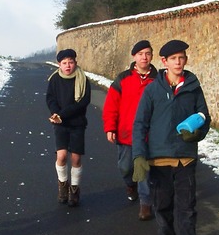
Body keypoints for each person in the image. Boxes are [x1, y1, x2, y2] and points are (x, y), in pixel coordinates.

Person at [132, 39, 211, 235]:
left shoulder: (193, 86)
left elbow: (204, 117)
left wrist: (197, 133)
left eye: (182, 57)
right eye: (174, 58)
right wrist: (138, 156)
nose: (179, 62)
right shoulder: (153, 90)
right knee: (163, 206)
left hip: (185, 158)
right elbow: (140, 124)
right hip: (159, 160)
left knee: (187, 208)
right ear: (164, 62)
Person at [102, 39, 158, 221]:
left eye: (148, 54)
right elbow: (111, 105)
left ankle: (145, 204)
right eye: (141, 54)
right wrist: (110, 127)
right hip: (125, 133)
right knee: (125, 168)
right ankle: (130, 185)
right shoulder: (123, 79)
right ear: (134, 56)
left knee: (144, 170)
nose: (144, 57)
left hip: (149, 135)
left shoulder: (158, 80)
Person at [46, 48, 91, 207]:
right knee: (62, 156)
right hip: (60, 123)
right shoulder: (54, 80)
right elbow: (50, 98)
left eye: (70, 62)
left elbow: (83, 102)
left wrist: (62, 114)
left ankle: (74, 189)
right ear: (59, 64)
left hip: (77, 123)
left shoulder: (83, 80)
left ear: (75, 63)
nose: (68, 66)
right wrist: (55, 113)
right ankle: (63, 186)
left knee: (76, 158)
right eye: (64, 63)